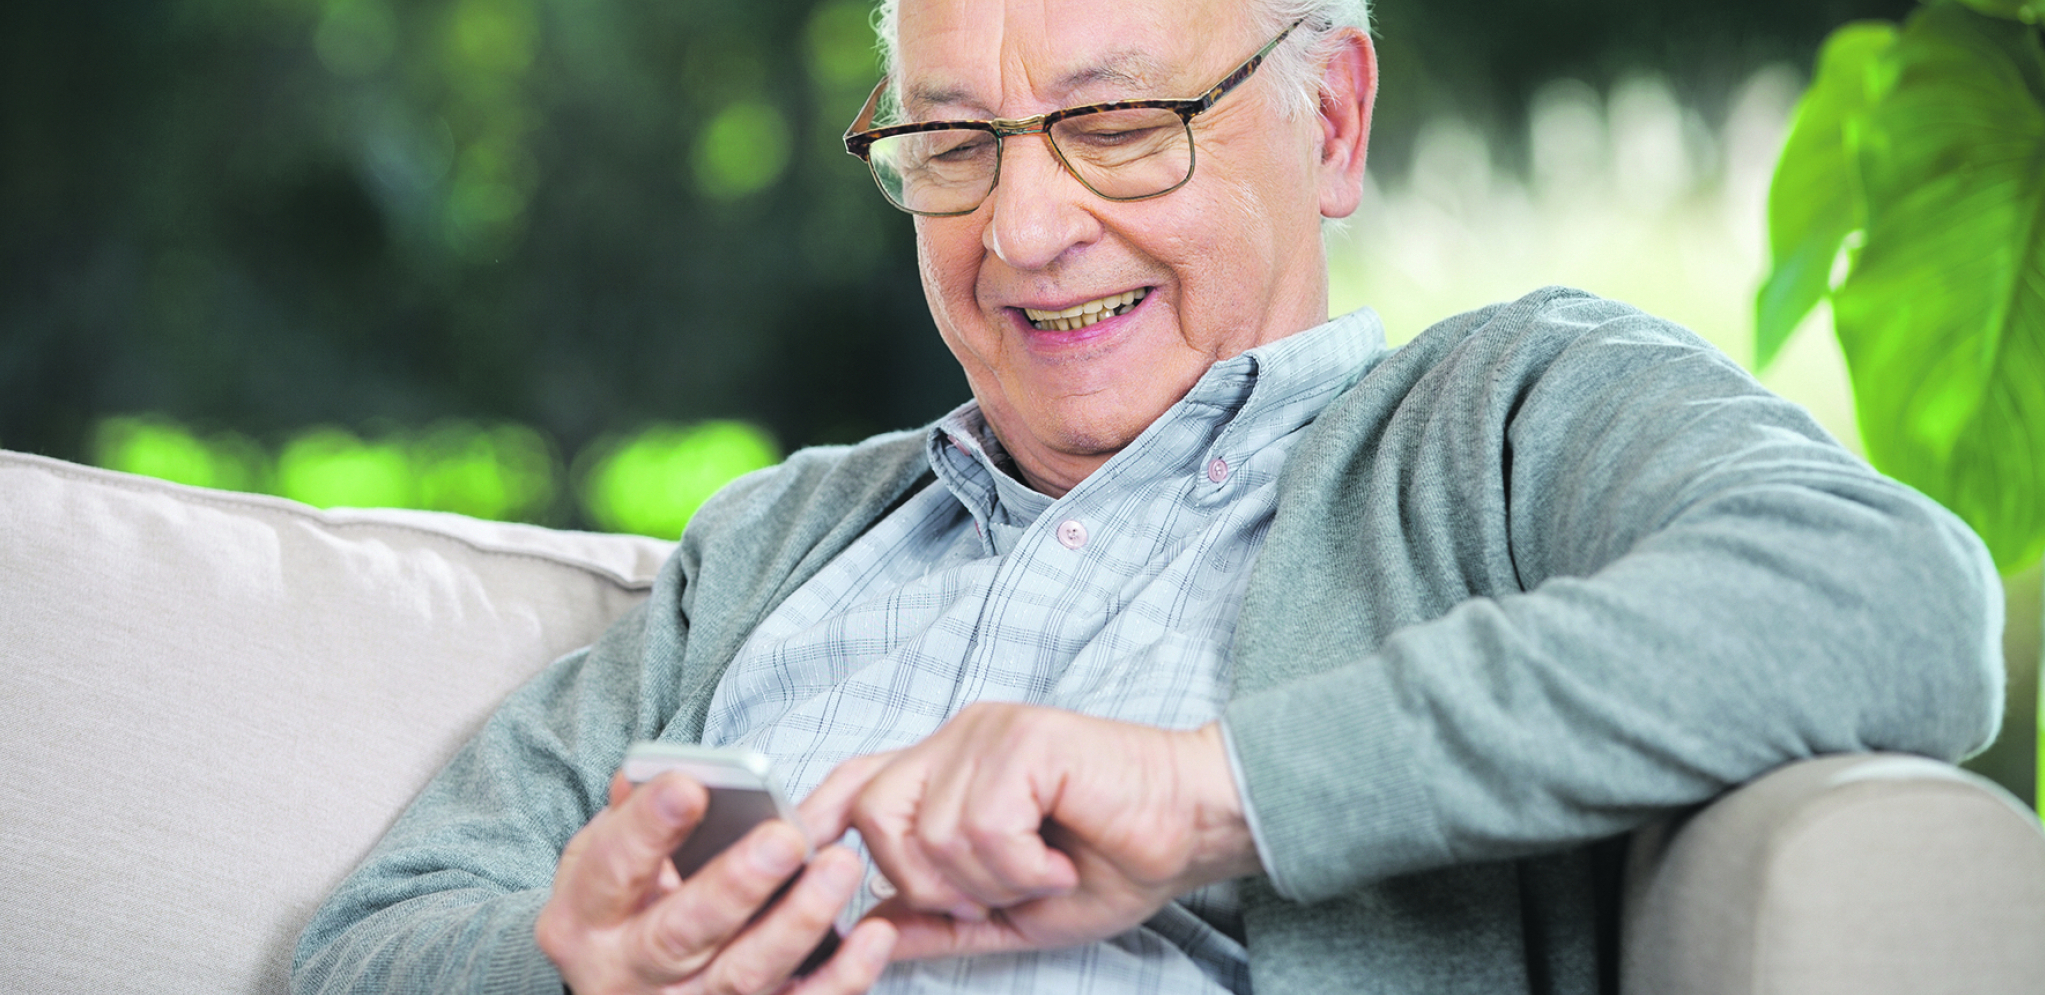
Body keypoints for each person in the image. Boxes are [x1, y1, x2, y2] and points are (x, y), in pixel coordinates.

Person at [293, 0, 2004, 992]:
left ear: (1328, 121)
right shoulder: (774, 543)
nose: (1018, 232)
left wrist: (1205, 793)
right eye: (952, 144)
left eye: (1120, 126)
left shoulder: (1500, 419)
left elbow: (1892, 602)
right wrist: (577, 968)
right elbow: (368, 940)